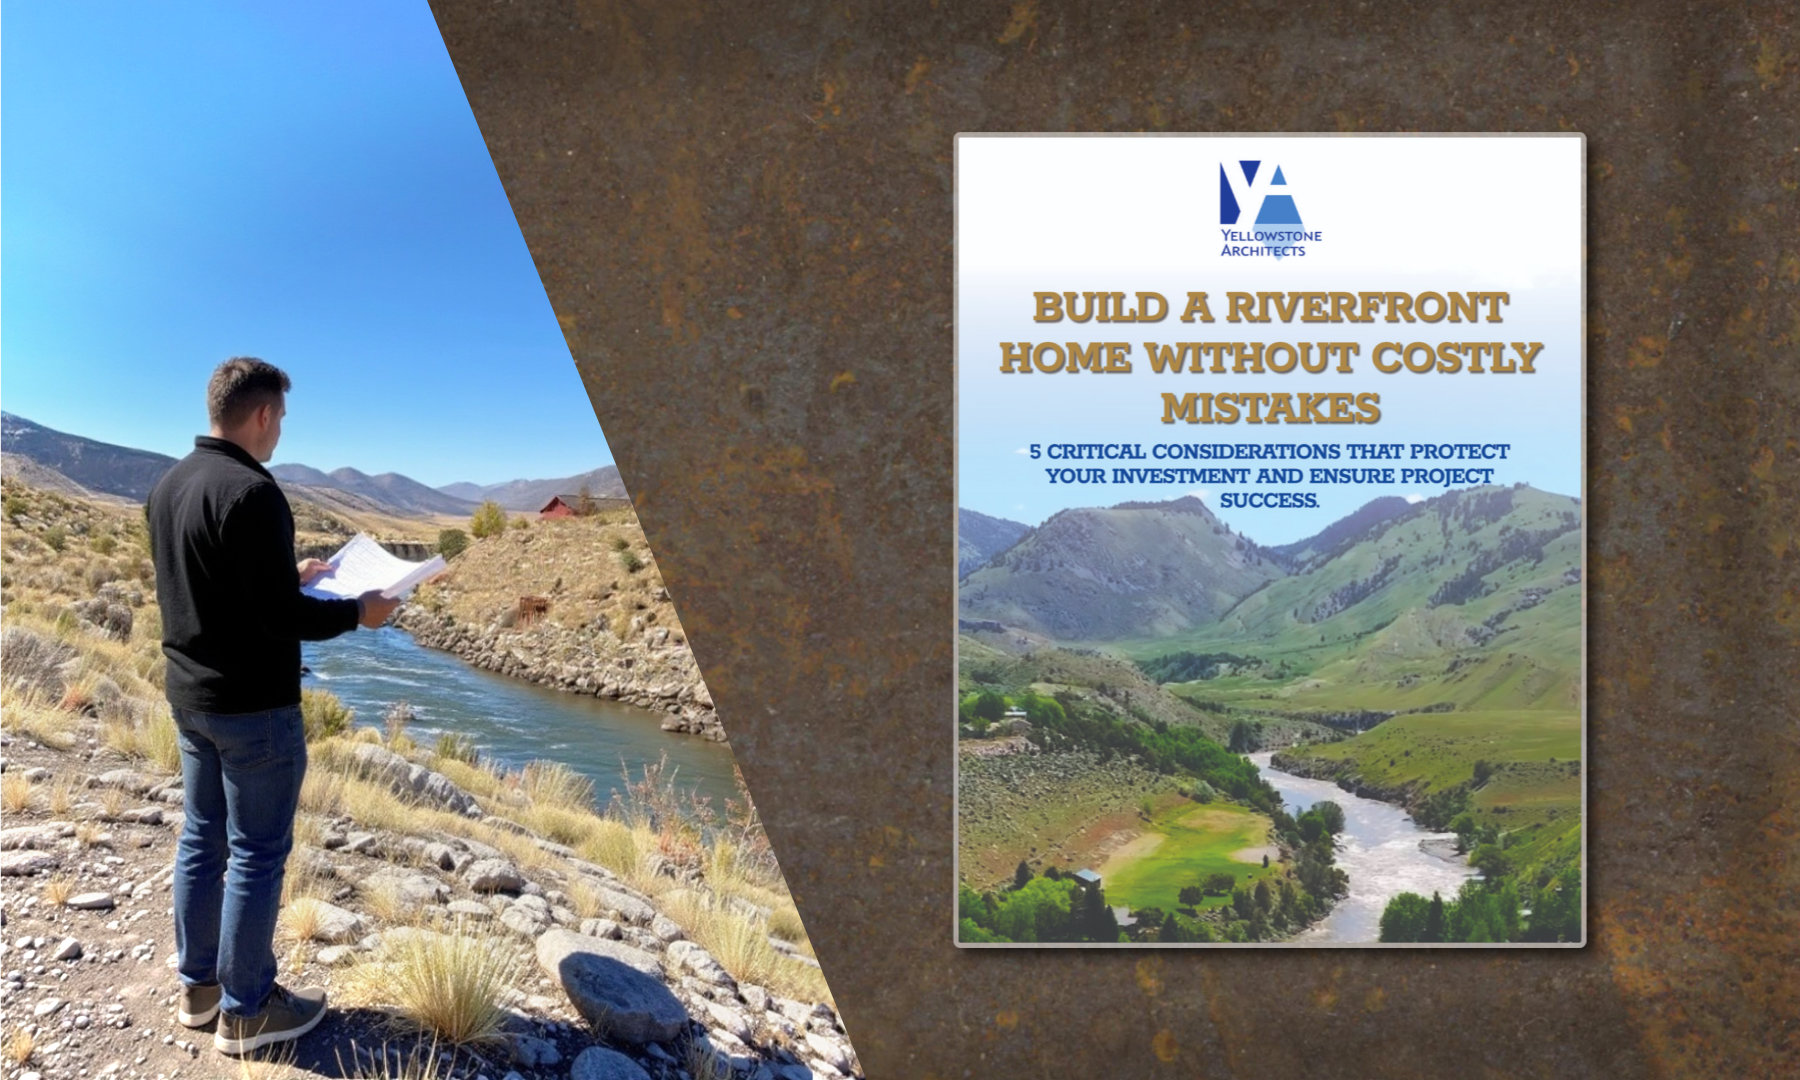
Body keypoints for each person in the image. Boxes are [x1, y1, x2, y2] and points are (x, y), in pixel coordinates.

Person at [146, 358, 401, 1056]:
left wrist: (291, 573)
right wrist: (359, 613)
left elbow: (214, 587)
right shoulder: (255, 492)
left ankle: (198, 990)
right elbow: (282, 620)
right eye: (281, 417)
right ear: (261, 415)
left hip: (191, 700)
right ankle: (248, 1009)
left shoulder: (170, 485)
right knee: (257, 854)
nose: (281, 430)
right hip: (254, 709)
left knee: (202, 839)